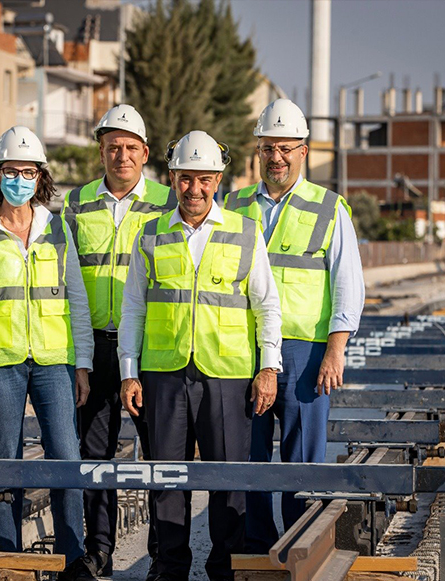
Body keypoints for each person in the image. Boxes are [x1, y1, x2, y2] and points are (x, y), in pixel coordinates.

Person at [118, 131, 283, 581]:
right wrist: (128, 373)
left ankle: (224, 569)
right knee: (165, 477)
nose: (195, 189)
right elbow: (133, 306)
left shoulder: (245, 232)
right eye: (186, 179)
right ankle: (169, 567)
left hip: (227, 374)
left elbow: (266, 304)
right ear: (172, 178)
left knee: (228, 480)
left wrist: (269, 366)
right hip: (163, 373)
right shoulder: (150, 233)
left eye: (204, 179)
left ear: (218, 180)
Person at [0, 126, 93, 580]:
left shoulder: (58, 230)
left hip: (54, 362)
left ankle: (72, 560)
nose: (20, 179)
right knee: (3, 462)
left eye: (28, 172)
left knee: (66, 457)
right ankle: (8, 558)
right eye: (12, 171)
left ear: (39, 177)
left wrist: (83, 364)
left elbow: (77, 303)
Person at [223, 98, 365, 552]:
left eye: (285, 148)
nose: (276, 158)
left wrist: (336, 349)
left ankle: (299, 545)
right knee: (249, 451)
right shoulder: (233, 203)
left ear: (304, 150)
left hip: (306, 352)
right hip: (243, 346)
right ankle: (255, 548)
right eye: (268, 148)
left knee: (302, 457)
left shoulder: (329, 207)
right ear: (257, 151)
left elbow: (348, 283)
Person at [62, 104, 176, 580]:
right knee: (95, 456)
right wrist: (79, 355)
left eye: (130, 148)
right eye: (113, 147)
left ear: (145, 153)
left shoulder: (169, 203)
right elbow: (65, 280)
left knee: (158, 455)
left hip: (150, 349)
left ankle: (162, 556)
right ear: (101, 151)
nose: (121, 156)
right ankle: (100, 552)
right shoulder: (76, 203)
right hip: (93, 348)